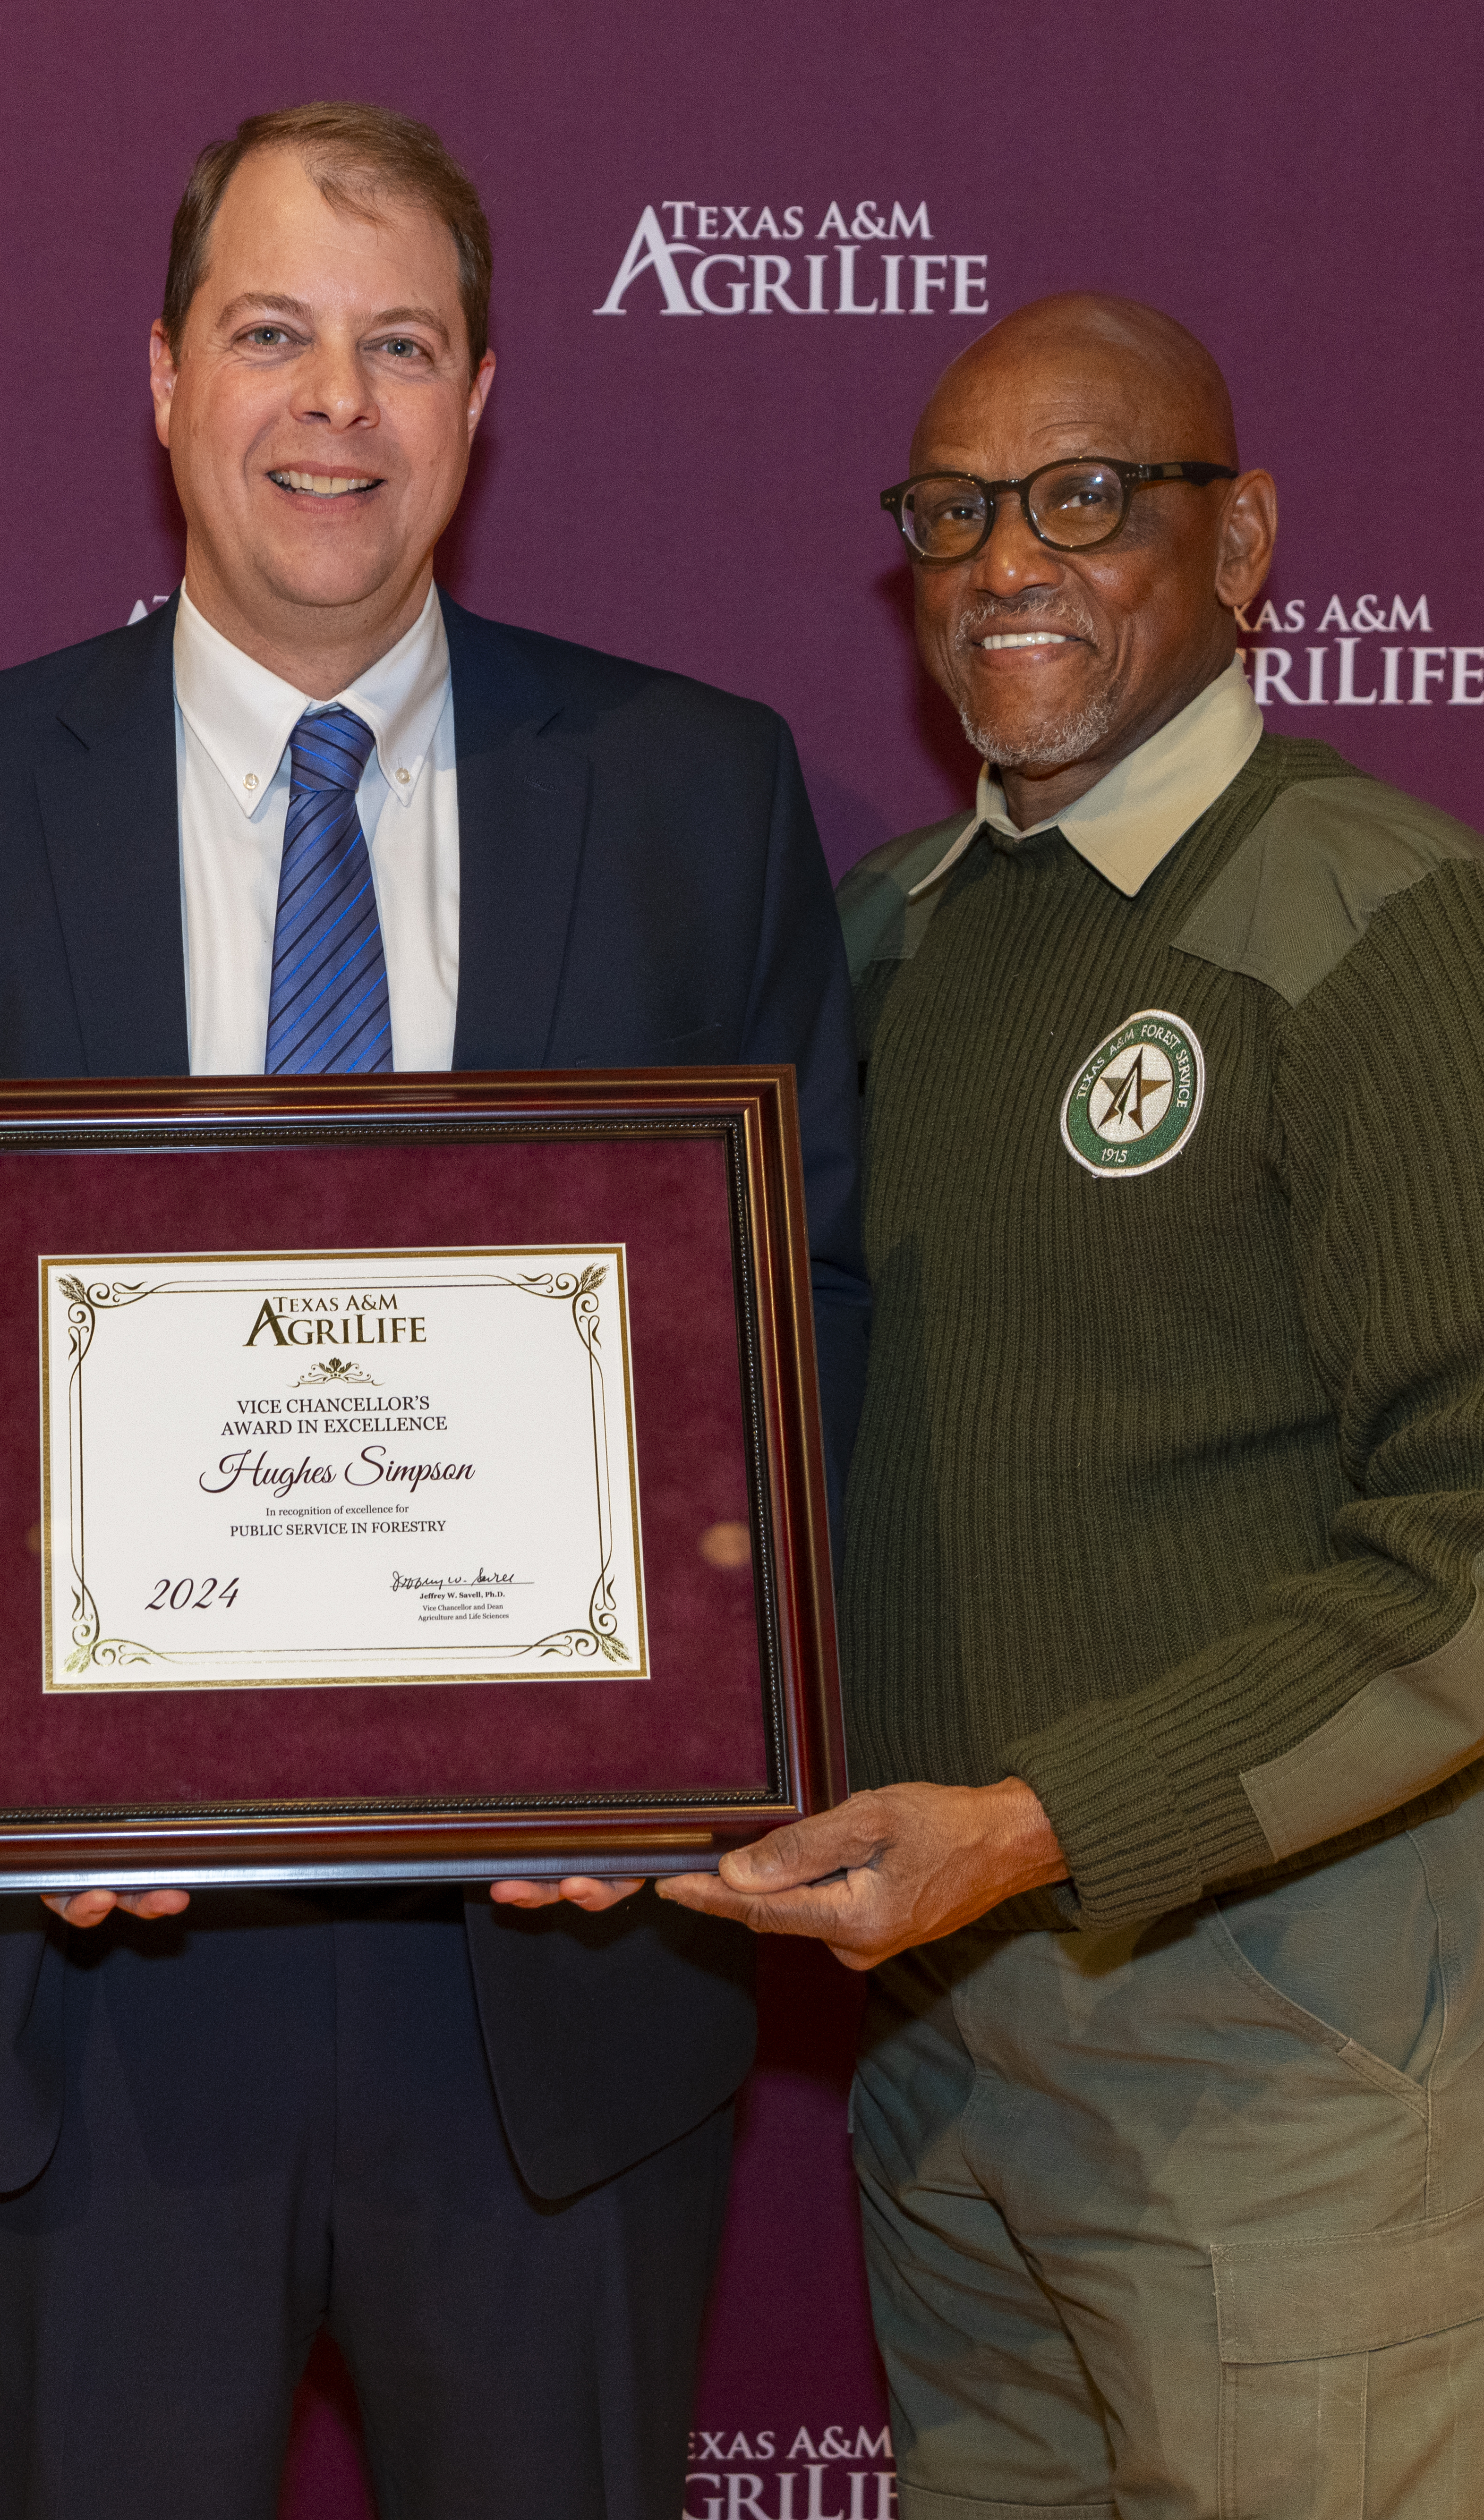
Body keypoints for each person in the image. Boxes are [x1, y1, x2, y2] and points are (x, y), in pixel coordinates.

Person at [0, 102, 865, 2520]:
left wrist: (674, 1700)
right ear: (158, 378)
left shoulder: (697, 793)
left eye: (401, 346)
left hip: (558, 1972)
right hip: (86, 1977)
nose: (336, 404)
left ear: (481, 400)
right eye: (273, 336)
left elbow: (806, 1301)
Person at [661, 292, 1484, 2515]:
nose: (1007, 559)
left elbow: (1472, 1548)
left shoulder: (1388, 925)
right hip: (944, 2062)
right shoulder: (885, 944)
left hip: (1280, 2075)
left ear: (1244, 550)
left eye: (1088, 498)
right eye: (952, 513)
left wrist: (1038, 1821)